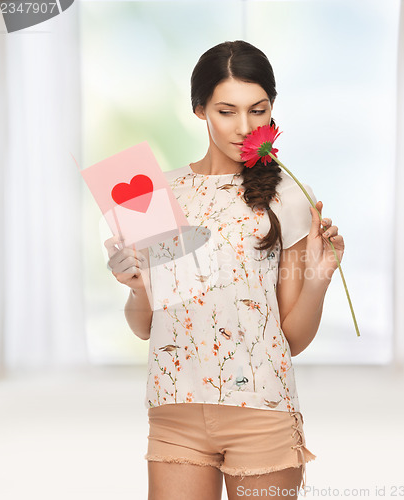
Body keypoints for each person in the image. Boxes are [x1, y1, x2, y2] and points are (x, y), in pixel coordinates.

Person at [105, 40, 344, 500]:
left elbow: (290, 338)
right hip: (175, 413)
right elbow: (143, 326)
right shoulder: (156, 193)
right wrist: (135, 288)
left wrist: (318, 280)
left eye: (258, 110)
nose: (245, 127)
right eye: (227, 111)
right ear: (199, 111)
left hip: (261, 412)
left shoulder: (289, 194)